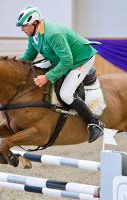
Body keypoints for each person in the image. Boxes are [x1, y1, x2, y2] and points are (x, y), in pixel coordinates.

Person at [16, 5, 104, 143]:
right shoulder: (33, 35)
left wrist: (47, 77)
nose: (22, 29)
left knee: (66, 94)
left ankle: (95, 122)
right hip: (61, 59)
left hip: (80, 60)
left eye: (24, 26)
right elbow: (29, 56)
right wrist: (13, 65)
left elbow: (67, 61)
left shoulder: (53, 33)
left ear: (34, 23)